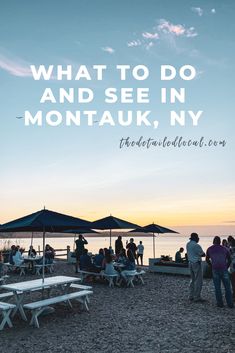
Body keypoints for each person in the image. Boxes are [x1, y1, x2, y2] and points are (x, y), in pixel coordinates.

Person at [206, 236, 233, 308]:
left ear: (213, 241)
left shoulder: (209, 249)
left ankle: (220, 303)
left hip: (215, 269)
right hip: (224, 269)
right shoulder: (225, 249)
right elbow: (229, 260)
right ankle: (230, 304)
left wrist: (211, 266)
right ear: (220, 242)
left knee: (217, 288)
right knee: (227, 287)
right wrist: (226, 267)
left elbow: (207, 259)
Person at [186, 233, 205, 302]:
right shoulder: (197, 245)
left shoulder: (188, 244)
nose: (198, 239)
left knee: (192, 280)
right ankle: (197, 297)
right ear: (195, 238)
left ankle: (191, 295)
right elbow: (203, 254)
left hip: (190, 263)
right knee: (198, 281)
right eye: (197, 237)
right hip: (196, 263)